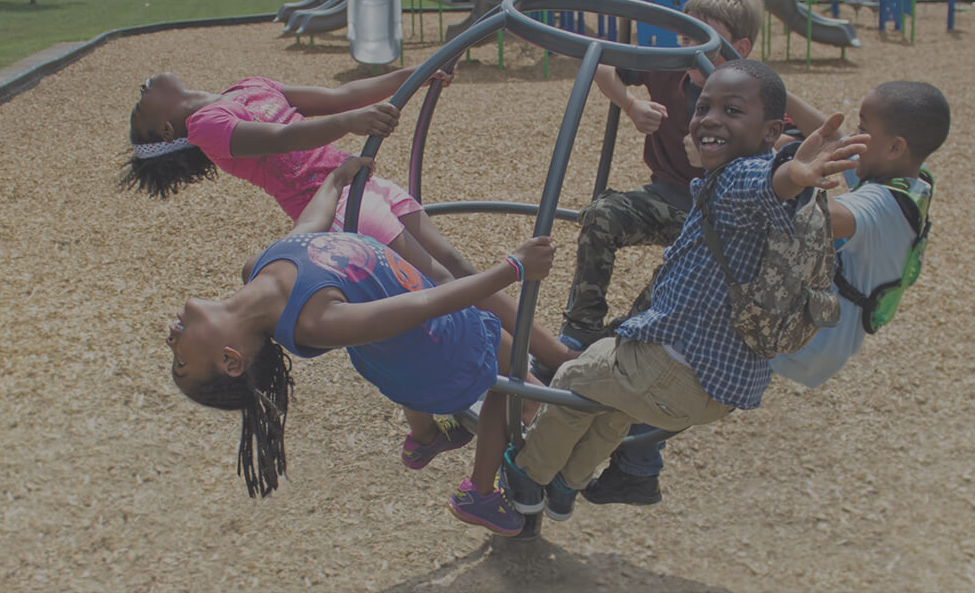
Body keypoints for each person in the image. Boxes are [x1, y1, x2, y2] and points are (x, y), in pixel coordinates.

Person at [495, 59, 870, 522]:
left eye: (732, 111)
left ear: (772, 131)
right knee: (612, 410)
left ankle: (527, 477)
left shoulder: (740, 177)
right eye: (705, 106)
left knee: (575, 379)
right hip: (725, 388)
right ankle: (565, 486)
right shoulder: (736, 178)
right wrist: (788, 175)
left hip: (673, 368)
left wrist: (793, 174)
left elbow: (767, 185)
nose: (710, 118)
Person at [581, 79, 951, 506]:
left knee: (694, 306)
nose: (852, 137)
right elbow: (833, 138)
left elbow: (808, 210)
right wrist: (778, 88)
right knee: (694, 307)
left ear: (894, 147)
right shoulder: (910, 177)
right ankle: (637, 463)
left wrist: (735, 160)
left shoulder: (881, 206)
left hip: (806, 332)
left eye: (864, 128)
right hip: (827, 324)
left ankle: (611, 386)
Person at [165, 156, 568, 536]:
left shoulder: (257, 270)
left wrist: (335, 180)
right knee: (510, 384)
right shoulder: (311, 319)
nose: (171, 340)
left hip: (409, 351)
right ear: (230, 360)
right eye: (181, 360)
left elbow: (311, 225)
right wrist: (512, 268)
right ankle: (481, 492)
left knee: (424, 359)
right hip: (441, 345)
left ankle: (430, 438)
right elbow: (422, 305)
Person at [123, 68, 576, 368]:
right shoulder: (207, 126)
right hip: (338, 206)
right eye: (140, 105)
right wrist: (351, 121)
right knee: (439, 280)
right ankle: (541, 369)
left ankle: (547, 356)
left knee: (456, 265)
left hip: (360, 181)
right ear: (167, 130)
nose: (142, 89)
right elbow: (283, 137)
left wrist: (410, 77)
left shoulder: (246, 87)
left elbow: (339, 94)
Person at [557, 0, 767, 354]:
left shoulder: (752, 93)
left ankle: (619, 344)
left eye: (702, 41)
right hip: (667, 196)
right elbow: (601, 64)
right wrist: (631, 104)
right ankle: (580, 328)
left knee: (674, 282)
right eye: (685, 39)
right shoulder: (670, 67)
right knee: (601, 215)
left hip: (717, 215)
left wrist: (720, 154)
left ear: (740, 49)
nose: (689, 50)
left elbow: (787, 145)